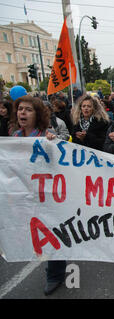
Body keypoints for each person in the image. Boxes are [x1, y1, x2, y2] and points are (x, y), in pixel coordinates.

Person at [10, 95, 64, 296]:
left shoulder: (46, 136)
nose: (22, 112)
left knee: (50, 232)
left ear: (38, 114)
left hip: (45, 195)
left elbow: (58, 165)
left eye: (28, 110)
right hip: (22, 194)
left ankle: (55, 273)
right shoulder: (13, 137)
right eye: (20, 109)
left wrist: (53, 143)